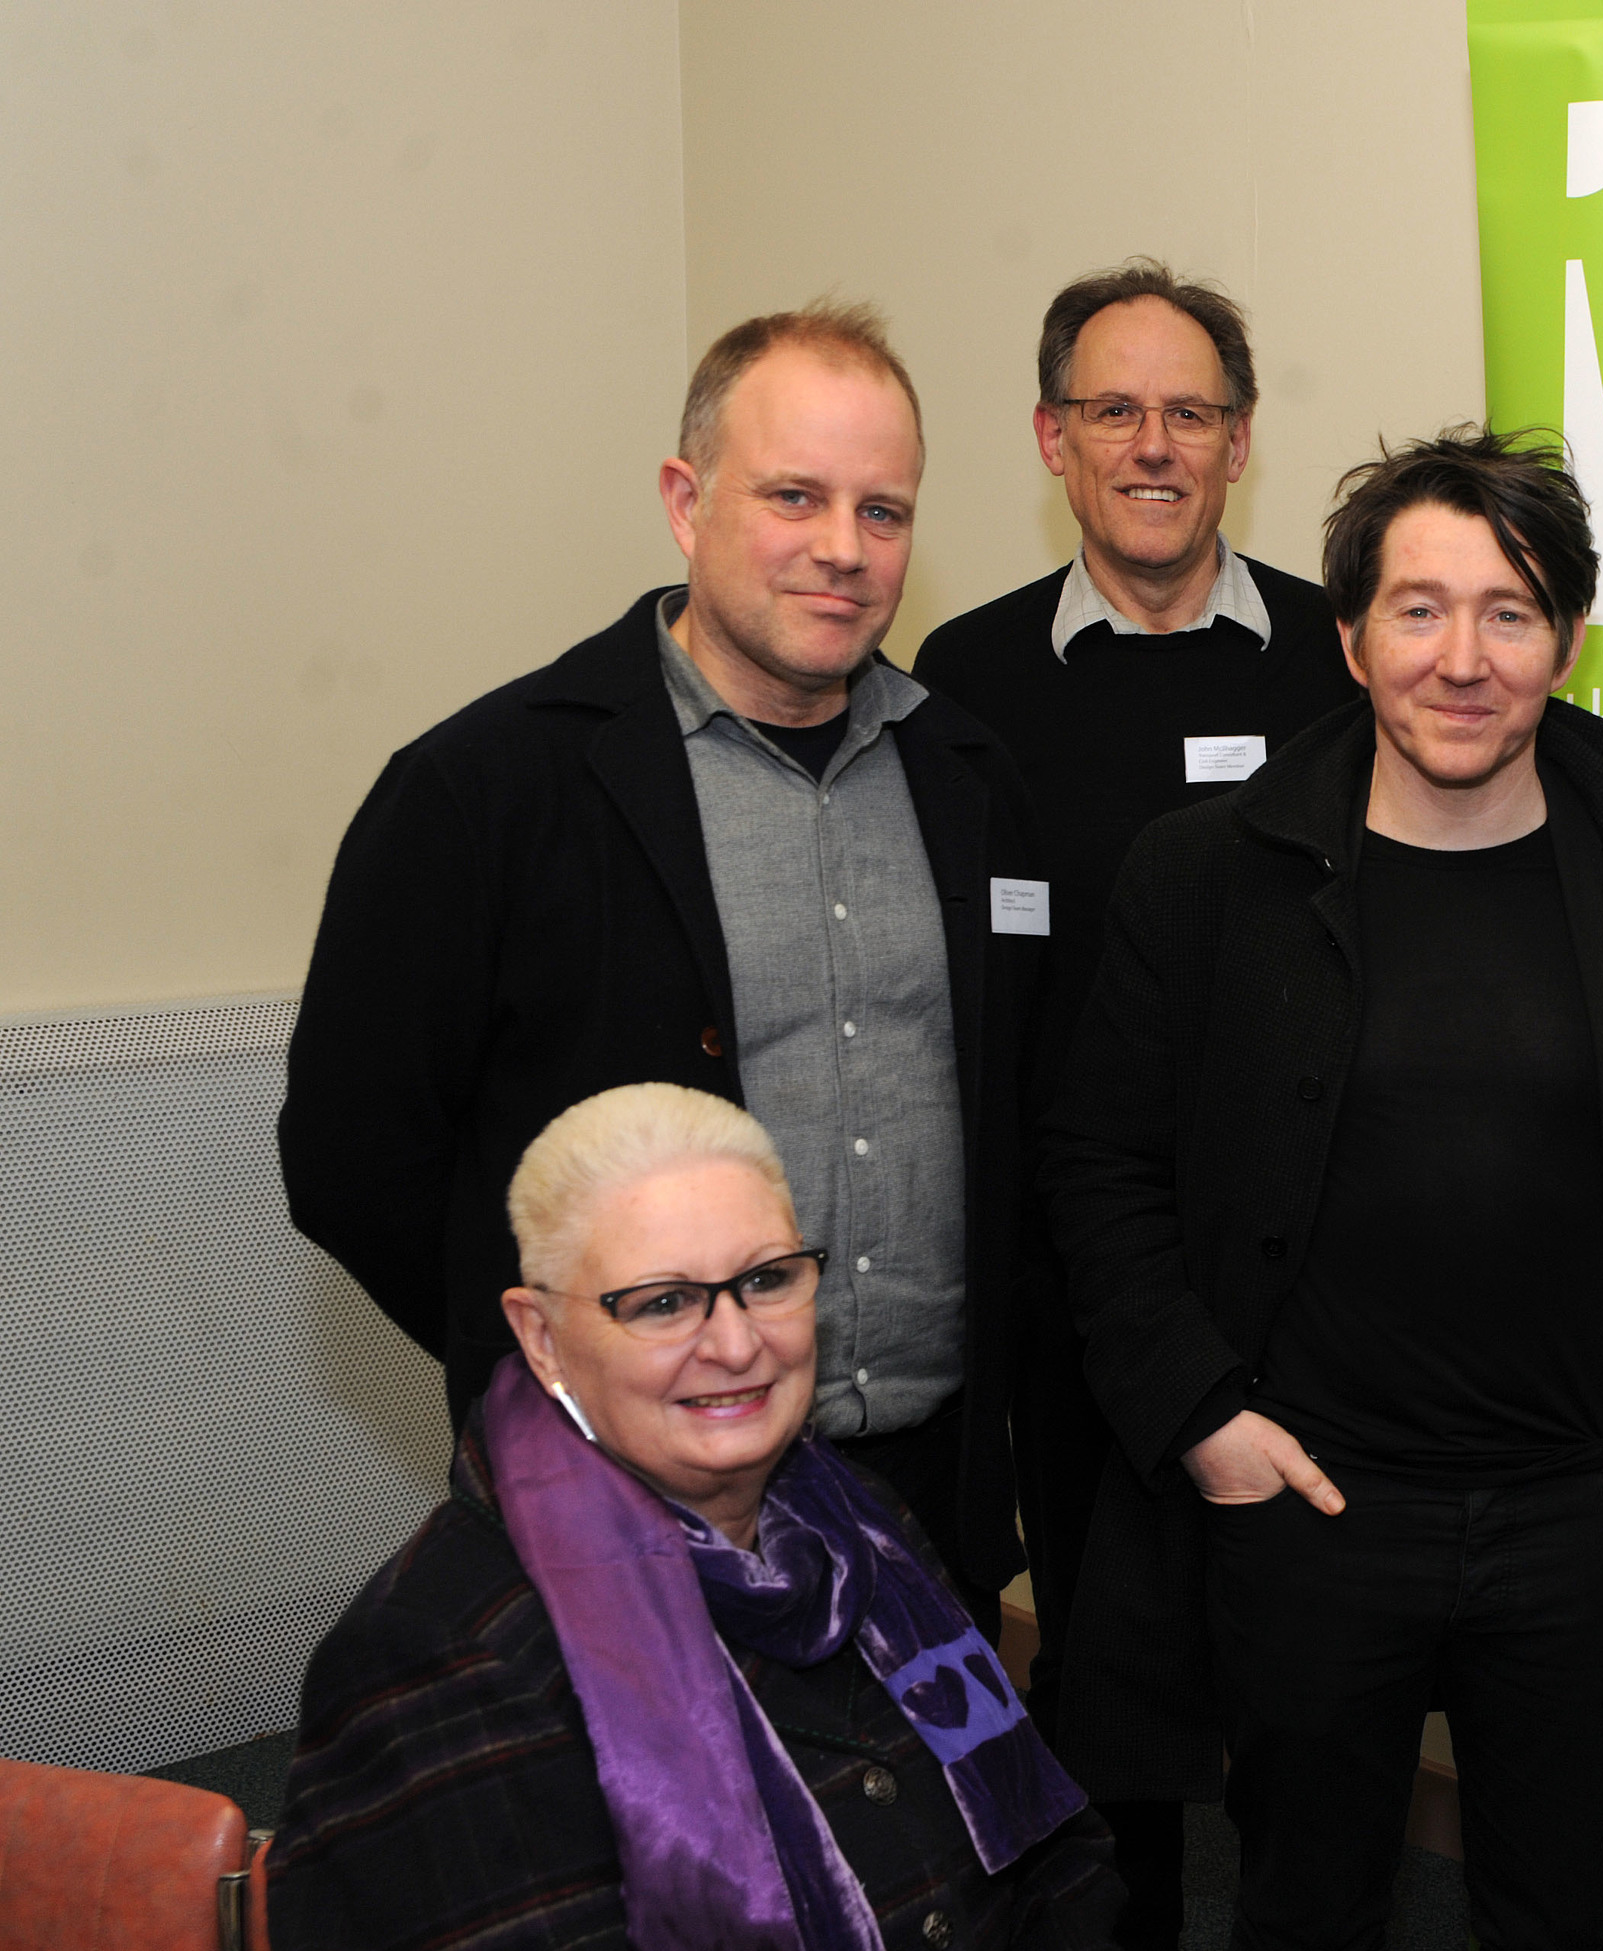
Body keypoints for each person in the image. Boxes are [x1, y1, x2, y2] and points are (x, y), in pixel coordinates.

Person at [1042, 427, 1603, 1951]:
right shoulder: (1208, 874)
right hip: (1313, 1514)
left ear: (1572, 636)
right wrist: (1208, 1425)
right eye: (1419, 611)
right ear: (1347, 635)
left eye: (1511, 614)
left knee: (1557, 1932)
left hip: (1583, 1518)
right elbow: (1098, 1168)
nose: (1463, 659)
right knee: (1305, 1934)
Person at [281, 303, 1052, 1606]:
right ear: (685, 502)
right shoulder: (485, 792)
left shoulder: (972, 782)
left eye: (883, 511)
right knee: (663, 1817)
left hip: (929, 1495)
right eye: (794, 496)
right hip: (622, 1501)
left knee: (927, 1816)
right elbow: (356, 1157)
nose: (842, 550)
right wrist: (575, 1365)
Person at [269, 1083, 1204, 1951]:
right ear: (541, 1337)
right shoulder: (446, 1652)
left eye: (767, 1280)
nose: (735, 1344)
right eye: (663, 1302)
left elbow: (1048, 1861)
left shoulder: (868, 1531)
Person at [915, 259, 1360, 1951]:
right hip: (1069, 1277)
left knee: (1303, 1667)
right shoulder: (962, 683)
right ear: (1052, 437)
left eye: (1190, 412)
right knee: (1104, 1658)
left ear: (1241, 442)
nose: (1153, 445)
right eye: (1114, 409)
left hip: (1306, 1275)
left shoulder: (1343, 656)